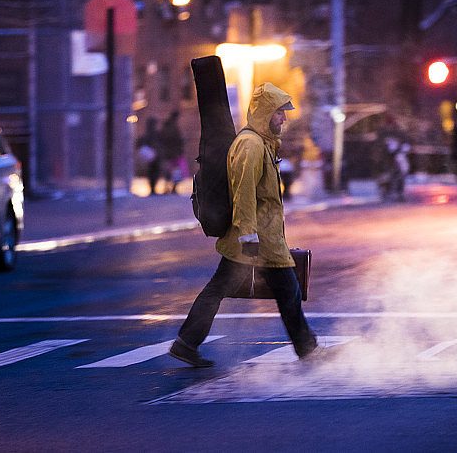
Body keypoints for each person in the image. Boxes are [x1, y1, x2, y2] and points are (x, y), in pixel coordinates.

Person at [169, 83, 320, 367]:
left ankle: (186, 343)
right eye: (279, 113)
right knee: (286, 292)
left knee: (231, 288)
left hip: (262, 238)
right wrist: (248, 236)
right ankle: (307, 349)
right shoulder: (250, 145)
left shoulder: (261, 143)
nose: (283, 119)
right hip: (255, 240)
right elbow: (244, 193)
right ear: (265, 113)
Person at [160, 111, 185, 194]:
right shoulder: (174, 127)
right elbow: (178, 140)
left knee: (168, 170)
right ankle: (173, 188)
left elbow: (162, 138)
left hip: (167, 152)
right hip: (174, 152)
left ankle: (167, 188)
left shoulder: (166, 126)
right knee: (176, 170)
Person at [137, 117, 162, 195]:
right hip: (153, 155)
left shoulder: (148, 134)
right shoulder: (153, 134)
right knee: (154, 172)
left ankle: (152, 188)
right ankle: (152, 189)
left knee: (153, 172)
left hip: (153, 156)